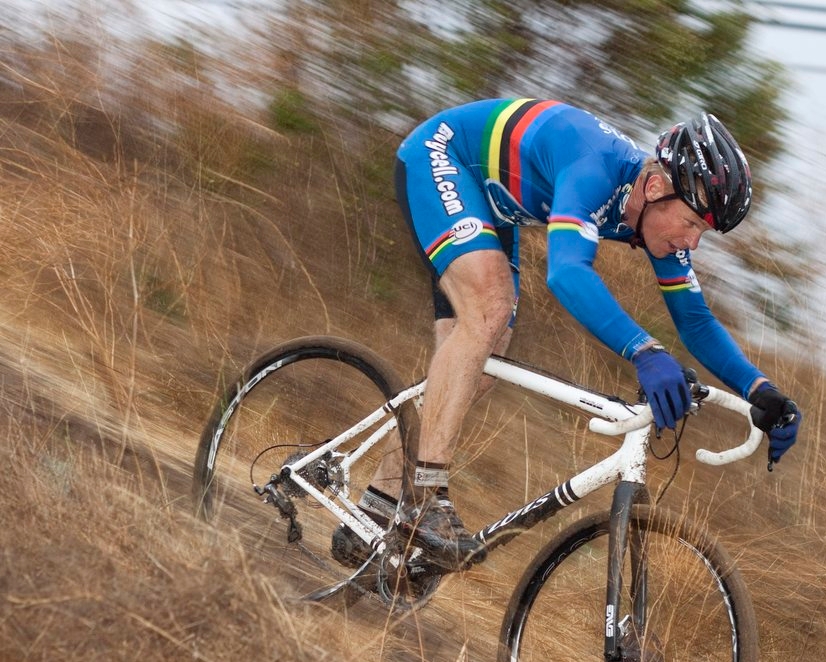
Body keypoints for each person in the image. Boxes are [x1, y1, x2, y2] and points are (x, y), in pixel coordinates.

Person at [332, 98, 801, 573]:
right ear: (656, 186)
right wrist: (644, 351)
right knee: (490, 308)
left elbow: (695, 321)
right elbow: (566, 272)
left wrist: (761, 391)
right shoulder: (594, 168)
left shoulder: (654, 211)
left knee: (480, 368)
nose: (693, 243)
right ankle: (425, 497)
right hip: (443, 156)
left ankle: (376, 505)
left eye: (703, 233)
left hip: (494, 205)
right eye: (693, 224)